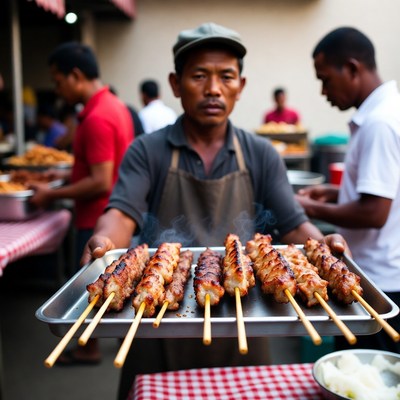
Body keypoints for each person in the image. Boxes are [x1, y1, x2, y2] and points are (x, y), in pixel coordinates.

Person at [80, 22, 348, 399]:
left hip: (243, 321)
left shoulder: (260, 153)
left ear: (241, 85)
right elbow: (122, 214)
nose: (213, 89)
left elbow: (293, 224)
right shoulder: (147, 151)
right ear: (176, 83)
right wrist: (104, 241)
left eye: (226, 76)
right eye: (199, 76)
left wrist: (324, 251)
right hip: (158, 321)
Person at [296, 27, 400, 354]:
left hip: (378, 282)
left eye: (325, 79)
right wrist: (334, 193)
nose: (324, 91)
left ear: (353, 69)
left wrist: (308, 207)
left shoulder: (379, 123)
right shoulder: (384, 113)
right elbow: (383, 193)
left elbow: (375, 212)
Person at [30, 41, 134, 364]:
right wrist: (59, 178)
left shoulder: (97, 117)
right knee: (116, 283)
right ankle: (116, 345)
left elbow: (100, 180)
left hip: (98, 218)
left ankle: (88, 348)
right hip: (114, 213)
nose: (58, 90)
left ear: (75, 76)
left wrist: (51, 195)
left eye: (58, 81)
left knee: (95, 284)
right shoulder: (115, 106)